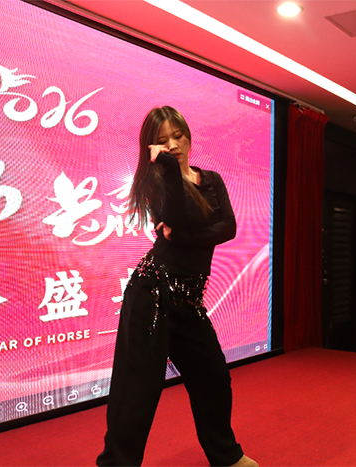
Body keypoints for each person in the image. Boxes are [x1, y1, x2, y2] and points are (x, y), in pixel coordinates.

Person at [96, 106, 258, 467]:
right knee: (137, 390)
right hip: (152, 293)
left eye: (178, 135)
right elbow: (179, 217)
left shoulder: (211, 179)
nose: (173, 144)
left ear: (188, 135)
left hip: (188, 299)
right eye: (163, 140)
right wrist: (169, 170)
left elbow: (228, 228)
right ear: (151, 147)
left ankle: (226, 456)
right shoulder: (155, 182)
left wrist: (182, 235)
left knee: (213, 377)